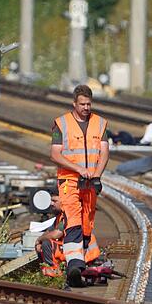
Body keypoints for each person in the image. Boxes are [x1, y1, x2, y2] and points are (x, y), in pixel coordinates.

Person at [50, 85, 109, 288]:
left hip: (91, 182)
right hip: (69, 181)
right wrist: (78, 168)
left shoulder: (100, 124)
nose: (86, 107)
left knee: (87, 222)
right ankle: (74, 266)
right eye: (82, 104)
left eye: (89, 104)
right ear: (74, 104)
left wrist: (97, 175)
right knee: (73, 220)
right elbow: (56, 154)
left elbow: (104, 152)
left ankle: (82, 264)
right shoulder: (61, 124)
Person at [37, 189, 100, 277]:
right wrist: (39, 241)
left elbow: (57, 233)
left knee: (46, 243)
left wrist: (39, 239)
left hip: (81, 253)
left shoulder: (69, 215)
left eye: (54, 201)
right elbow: (50, 231)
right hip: (73, 252)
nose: (51, 204)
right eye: (51, 201)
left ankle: (54, 270)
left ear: (64, 201)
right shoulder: (60, 215)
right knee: (45, 240)